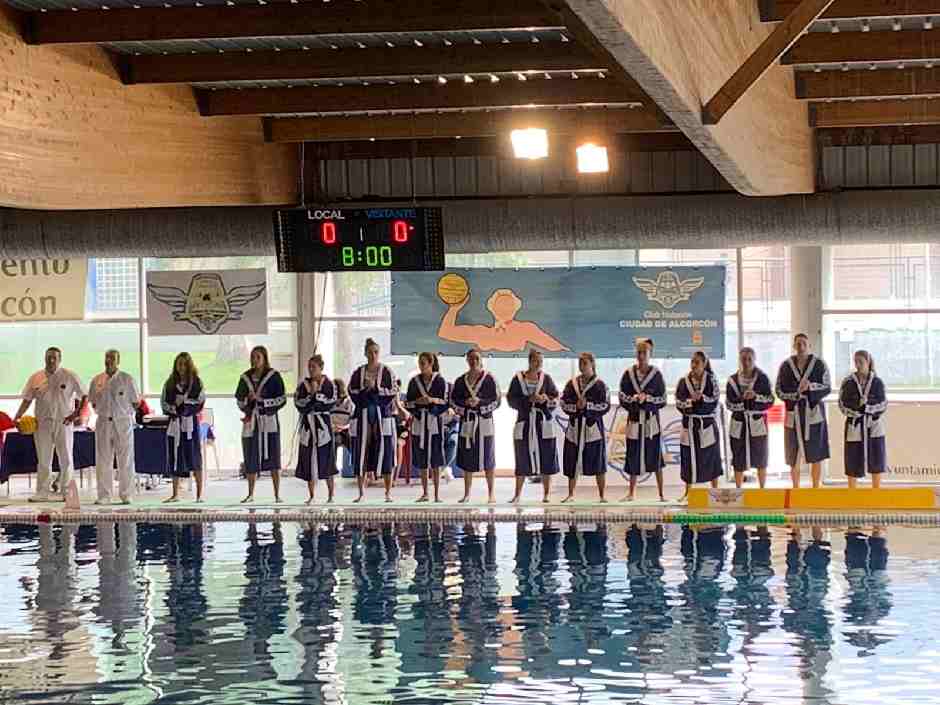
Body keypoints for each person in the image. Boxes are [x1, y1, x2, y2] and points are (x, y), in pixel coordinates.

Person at [13, 347, 86, 502]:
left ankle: (67, 492)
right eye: (48, 357)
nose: (51, 360)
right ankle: (42, 492)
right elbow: (27, 399)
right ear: (44, 358)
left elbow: (84, 395)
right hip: (42, 423)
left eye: (54, 357)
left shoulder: (69, 376)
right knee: (43, 459)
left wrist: (76, 413)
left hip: (63, 422)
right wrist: (17, 416)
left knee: (66, 458)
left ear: (60, 359)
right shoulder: (36, 378)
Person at [776, 333, 831, 489]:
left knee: (817, 453)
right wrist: (795, 395)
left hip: (812, 412)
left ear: (809, 346)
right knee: (793, 453)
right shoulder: (786, 366)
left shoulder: (819, 364)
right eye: (798, 344)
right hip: (793, 413)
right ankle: (796, 488)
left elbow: (827, 387)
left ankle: (815, 487)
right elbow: (778, 390)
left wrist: (811, 387)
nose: (801, 346)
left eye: (804, 343)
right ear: (794, 346)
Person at [348, 338, 399, 502]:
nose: (373, 355)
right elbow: (352, 391)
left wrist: (375, 388)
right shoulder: (358, 372)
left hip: (382, 416)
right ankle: (361, 493)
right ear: (365, 353)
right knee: (361, 453)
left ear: (379, 353)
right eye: (370, 352)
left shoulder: (387, 371)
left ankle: (388, 493)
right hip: (363, 416)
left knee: (386, 453)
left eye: (376, 352)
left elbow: (393, 391)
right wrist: (365, 389)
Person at [88, 349, 141, 505]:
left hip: (123, 421)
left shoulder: (127, 379)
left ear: (118, 361)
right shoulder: (97, 380)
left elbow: (136, 402)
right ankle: (104, 495)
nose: (109, 360)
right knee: (103, 459)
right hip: (104, 421)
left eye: (112, 358)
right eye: (107, 357)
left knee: (125, 459)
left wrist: (126, 412)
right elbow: (93, 401)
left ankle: (126, 494)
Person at [506, 349, 560, 503]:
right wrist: (528, 399)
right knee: (521, 457)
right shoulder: (518, 379)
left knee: (547, 457)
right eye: (536, 361)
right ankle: (517, 495)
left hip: (543, 422)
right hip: (525, 422)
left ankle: (547, 494)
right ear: (530, 361)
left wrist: (545, 399)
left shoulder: (546, 379)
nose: (539, 364)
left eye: (541, 361)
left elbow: (555, 397)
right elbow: (511, 400)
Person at [235, 345, 287, 504]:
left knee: (274, 457)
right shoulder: (245, 378)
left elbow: (282, 399)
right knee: (250, 456)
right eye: (253, 357)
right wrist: (248, 401)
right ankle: (250, 494)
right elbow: (239, 400)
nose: (255, 360)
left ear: (264, 358)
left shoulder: (274, 376)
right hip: (252, 422)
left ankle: (277, 494)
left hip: (269, 421)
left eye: (258, 357)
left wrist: (263, 401)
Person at [618, 339, 667, 502]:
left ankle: (661, 494)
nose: (641, 355)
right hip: (634, 420)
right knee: (633, 454)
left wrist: (648, 398)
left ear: (650, 354)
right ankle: (631, 493)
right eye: (638, 352)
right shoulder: (628, 374)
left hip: (651, 421)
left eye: (644, 352)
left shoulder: (656, 375)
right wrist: (634, 399)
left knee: (656, 455)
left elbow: (663, 399)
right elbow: (622, 397)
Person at [451, 348, 501, 503]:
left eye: (476, 358)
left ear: (481, 360)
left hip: (484, 422)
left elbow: (497, 401)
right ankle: (467, 494)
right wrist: (465, 405)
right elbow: (453, 401)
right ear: (467, 360)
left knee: (488, 457)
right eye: (471, 358)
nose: (474, 361)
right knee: (467, 457)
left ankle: (491, 493)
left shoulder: (489, 379)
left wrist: (480, 404)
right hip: (468, 421)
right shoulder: (460, 381)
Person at [561, 352, 610, 503]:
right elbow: (563, 402)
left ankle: (602, 496)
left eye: (585, 363)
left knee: (598, 462)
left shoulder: (600, 385)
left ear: (592, 365)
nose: (582, 366)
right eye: (580, 363)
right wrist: (576, 406)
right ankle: (571, 494)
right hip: (575, 427)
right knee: (572, 461)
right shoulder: (572, 384)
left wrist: (587, 406)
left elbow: (605, 405)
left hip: (592, 428)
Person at [675, 350, 723, 498]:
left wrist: (701, 399)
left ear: (704, 364)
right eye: (692, 362)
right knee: (687, 457)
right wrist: (690, 402)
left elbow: (714, 400)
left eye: (697, 362)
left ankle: (715, 490)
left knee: (712, 456)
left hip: (706, 423)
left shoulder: (712, 380)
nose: (694, 365)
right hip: (689, 424)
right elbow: (678, 401)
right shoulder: (683, 381)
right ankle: (688, 491)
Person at [726, 347, 775, 489]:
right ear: (739, 361)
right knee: (738, 455)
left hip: (757, 421)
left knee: (761, 455)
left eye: (749, 359)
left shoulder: (762, 377)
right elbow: (729, 403)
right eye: (743, 359)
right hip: (739, 421)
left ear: (754, 360)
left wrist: (755, 397)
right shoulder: (732, 380)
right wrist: (742, 400)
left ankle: (762, 489)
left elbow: (770, 400)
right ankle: (738, 489)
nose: (746, 362)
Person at [404, 352, 450, 503]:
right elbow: (408, 403)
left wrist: (431, 401)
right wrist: (418, 403)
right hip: (419, 421)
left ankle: (436, 494)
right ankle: (425, 493)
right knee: (422, 459)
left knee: (435, 459)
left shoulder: (440, 381)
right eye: (420, 362)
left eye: (423, 363)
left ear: (431, 363)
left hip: (434, 422)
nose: (421, 366)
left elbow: (445, 402)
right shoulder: (414, 382)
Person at [839, 350, 887, 488]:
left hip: (874, 425)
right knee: (853, 457)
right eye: (856, 362)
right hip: (855, 425)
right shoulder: (848, 382)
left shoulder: (877, 382)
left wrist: (866, 408)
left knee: (876, 457)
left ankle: (876, 492)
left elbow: (883, 404)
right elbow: (842, 404)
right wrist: (856, 410)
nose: (858, 365)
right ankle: (852, 493)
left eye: (861, 361)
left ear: (868, 362)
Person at [161, 352, 205, 503]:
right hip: (175, 425)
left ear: (189, 365)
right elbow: (164, 404)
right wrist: (175, 409)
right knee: (175, 458)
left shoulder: (196, 382)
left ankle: (199, 494)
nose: (181, 367)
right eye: (179, 364)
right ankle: (175, 494)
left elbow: (200, 402)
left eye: (184, 364)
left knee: (195, 458)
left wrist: (184, 407)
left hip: (190, 426)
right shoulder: (170, 383)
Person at [295, 354, 337, 504]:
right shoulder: (302, 385)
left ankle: (331, 495)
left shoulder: (329, 384)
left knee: (327, 460)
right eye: (309, 367)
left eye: (314, 367)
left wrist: (316, 395)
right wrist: (310, 397)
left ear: (321, 368)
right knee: (308, 459)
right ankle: (312, 496)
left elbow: (331, 403)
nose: (311, 370)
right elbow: (299, 404)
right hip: (308, 426)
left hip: (323, 426)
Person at [331, 378, 354, 476]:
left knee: (353, 443)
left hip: (345, 429)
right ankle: (331, 469)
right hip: (333, 429)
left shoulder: (349, 402)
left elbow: (352, 421)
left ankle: (358, 467)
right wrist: (333, 427)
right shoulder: (329, 402)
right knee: (331, 441)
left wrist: (343, 427)